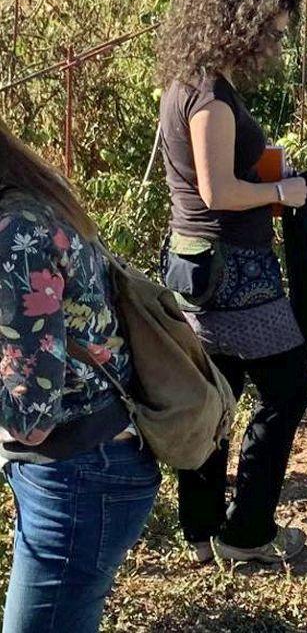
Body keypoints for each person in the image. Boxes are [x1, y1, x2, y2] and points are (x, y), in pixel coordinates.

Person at [157, 0, 307, 565]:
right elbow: (218, 191)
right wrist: (281, 192)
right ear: (240, 24)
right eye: (271, 32)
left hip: (197, 262)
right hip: (234, 270)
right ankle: (247, 533)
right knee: (290, 385)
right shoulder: (210, 99)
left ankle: (200, 531)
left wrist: (263, 164)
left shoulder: (186, 80)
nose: (275, 44)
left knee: (218, 393)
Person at [0, 120, 160, 632]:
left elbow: (30, 416)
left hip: (78, 474)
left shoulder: (15, 234)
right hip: (85, 463)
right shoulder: (31, 197)